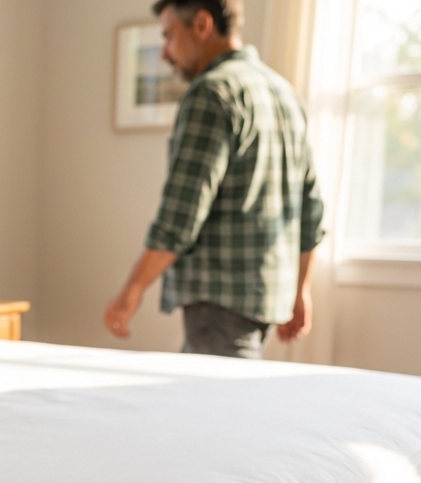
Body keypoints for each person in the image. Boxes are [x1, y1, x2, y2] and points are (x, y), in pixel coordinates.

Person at [104, 0, 325, 358]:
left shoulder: (212, 93)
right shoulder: (285, 94)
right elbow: (311, 210)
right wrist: (301, 290)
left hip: (221, 300)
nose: (165, 53)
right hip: (271, 297)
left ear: (203, 24)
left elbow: (180, 214)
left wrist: (130, 293)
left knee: (211, 409)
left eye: (170, 36)